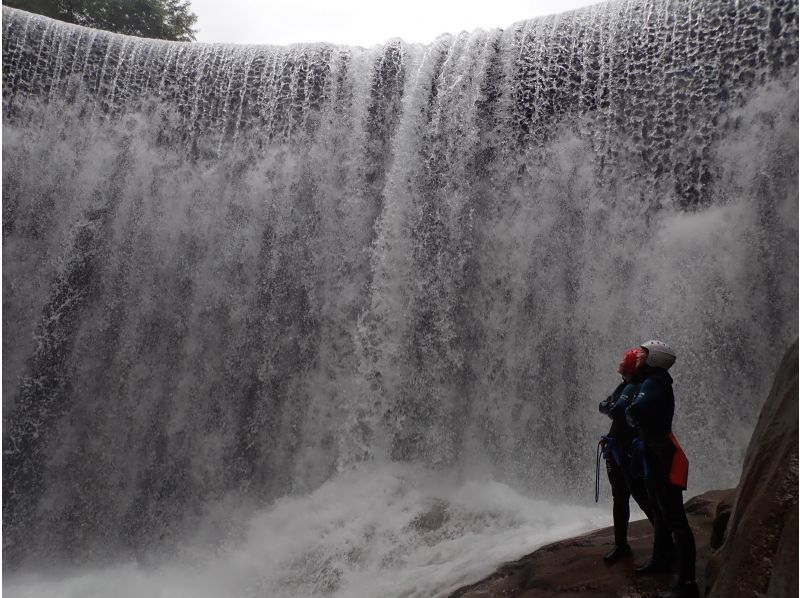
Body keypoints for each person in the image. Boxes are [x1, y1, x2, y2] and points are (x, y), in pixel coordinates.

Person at [625, 340, 698, 598]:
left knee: (674, 515)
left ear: (654, 357)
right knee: (659, 507)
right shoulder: (654, 380)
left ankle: (688, 583)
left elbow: (634, 410)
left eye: (643, 352)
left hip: (660, 453)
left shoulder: (653, 382)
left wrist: (630, 415)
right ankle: (661, 557)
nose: (639, 355)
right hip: (655, 449)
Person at [598, 347, 653, 562]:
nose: (621, 364)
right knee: (626, 496)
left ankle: (663, 543)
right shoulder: (628, 386)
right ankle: (622, 544)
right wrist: (611, 405)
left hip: (625, 449)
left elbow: (612, 409)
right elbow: (604, 406)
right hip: (619, 447)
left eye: (624, 362)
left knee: (637, 496)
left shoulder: (631, 387)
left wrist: (611, 405)